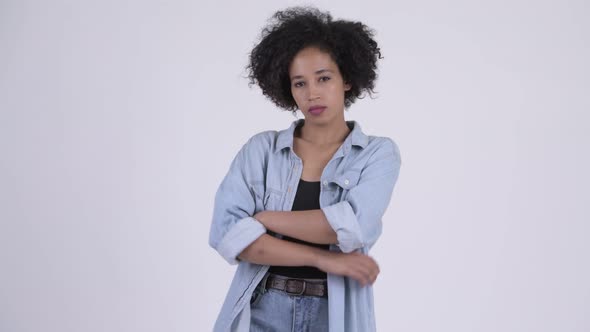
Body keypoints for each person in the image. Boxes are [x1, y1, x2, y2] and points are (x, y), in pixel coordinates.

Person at [209, 6, 401, 331]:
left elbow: (350, 228)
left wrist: (265, 219)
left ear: (348, 80)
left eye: (323, 78)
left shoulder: (377, 154)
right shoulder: (262, 150)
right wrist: (323, 258)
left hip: (333, 315)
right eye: (299, 83)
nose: (311, 93)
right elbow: (229, 237)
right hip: (261, 309)